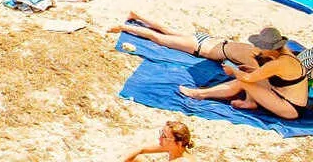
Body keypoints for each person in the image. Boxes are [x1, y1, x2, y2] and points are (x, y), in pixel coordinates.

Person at [179, 27, 311, 120]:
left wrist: (233, 71)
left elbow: (248, 78)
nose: (259, 50)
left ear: (271, 49)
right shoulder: (286, 56)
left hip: (290, 108)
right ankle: (250, 102)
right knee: (249, 74)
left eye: (261, 47)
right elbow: (270, 76)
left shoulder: (278, 64)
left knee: (244, 81)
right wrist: (247, 70)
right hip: (285, 97)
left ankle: (199, 94)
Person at [112, 13, 262, 68]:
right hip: (198, 47)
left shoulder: (252, 48)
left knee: (167, 30)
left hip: (207, 39)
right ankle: (123, 27)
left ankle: (137, 16)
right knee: (159, 38)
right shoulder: (252, 61)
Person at [118, 121, 193, 161]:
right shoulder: (173, 148)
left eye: (164, 136)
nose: (160, 138)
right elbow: (141, 148)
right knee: (134, 158)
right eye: (161, 133)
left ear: (178, 143)